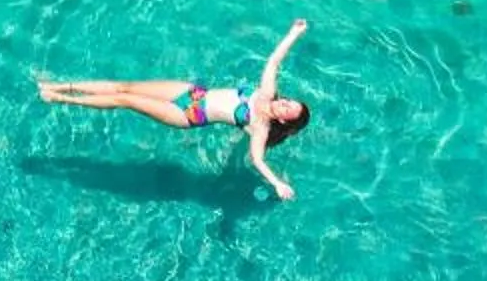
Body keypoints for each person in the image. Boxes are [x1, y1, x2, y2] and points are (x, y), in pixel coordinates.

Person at [37, 19, 311, 200]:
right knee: (125, 86)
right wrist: (294, 34)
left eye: (289, 110)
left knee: (125, 100)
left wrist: (276, 183)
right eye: (290, 101)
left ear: (284, 121)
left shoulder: (260, 127)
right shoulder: (266, 93)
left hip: (188, 115)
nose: (285, 103)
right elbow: (274, 61)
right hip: (192, 93)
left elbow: (258, 160)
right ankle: (60, 86)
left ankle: (59, 98)